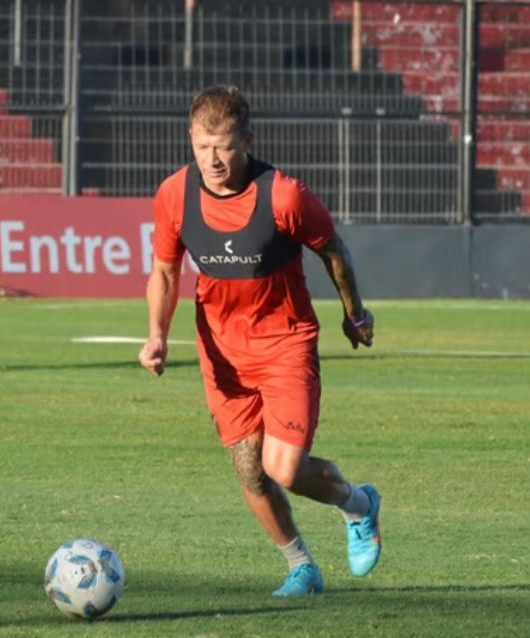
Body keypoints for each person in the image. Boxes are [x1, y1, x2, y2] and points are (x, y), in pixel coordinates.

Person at [139, 85, 380, 597]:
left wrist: (355, 314)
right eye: (202, 147)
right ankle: (301, 567)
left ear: (247, 140)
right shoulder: (174, 195)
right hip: (222, 354)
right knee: (251, 470)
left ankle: (358, 505)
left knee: (283, 468)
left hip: (284, 344)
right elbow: (164, 271)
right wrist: (157, 335)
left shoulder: (283, 196)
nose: (212, 160)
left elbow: (334, 251)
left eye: (224, 147)